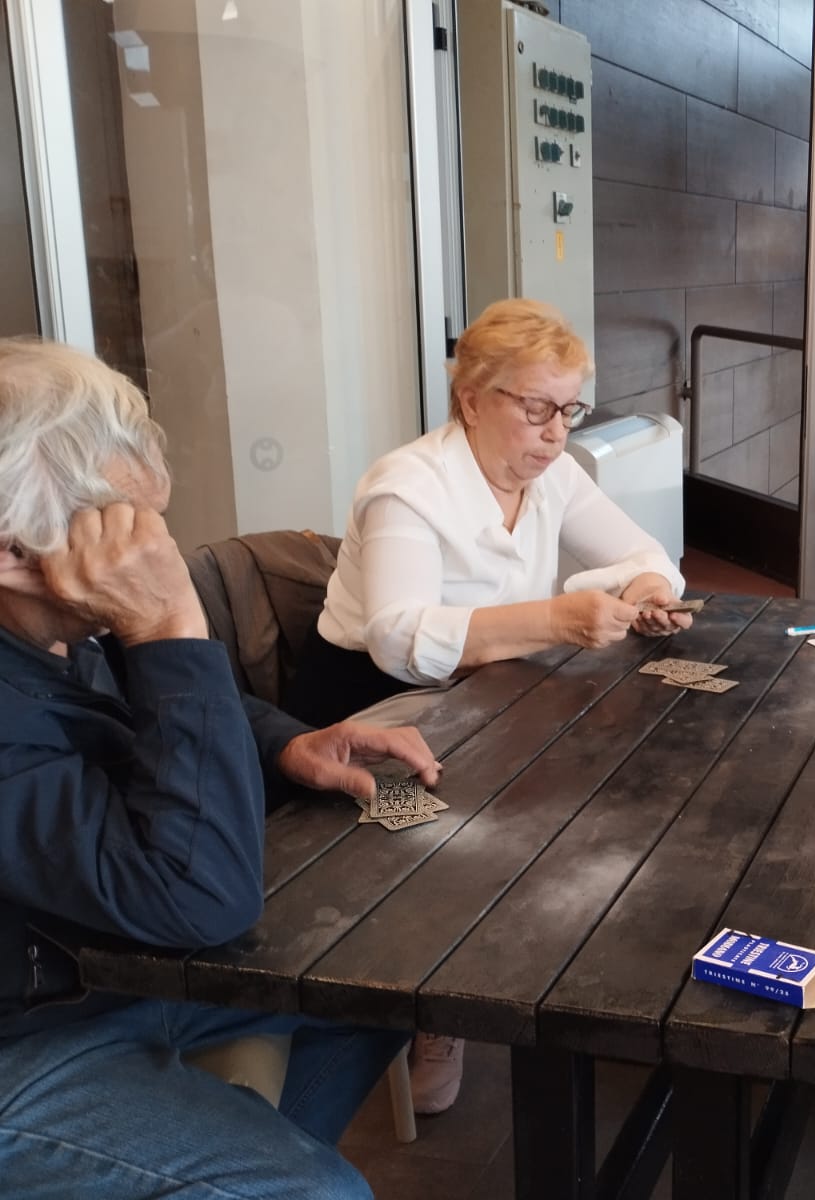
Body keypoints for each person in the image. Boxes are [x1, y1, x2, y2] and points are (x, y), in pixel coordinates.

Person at [0, 338, 443, 1199]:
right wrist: (168, 624)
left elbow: (153, 706)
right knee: (320, 1193)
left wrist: (282, 744)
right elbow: (196, 898)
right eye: (126, 532)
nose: (158, 552)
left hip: (109, 970)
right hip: (30, 1031)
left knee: (388, 988)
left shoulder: (55, 624)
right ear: (14, 550)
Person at [285, 297, 687, 1111]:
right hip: (372, 710)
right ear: (470, 399)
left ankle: (547, 965)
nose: (555, 433)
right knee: (467, 840)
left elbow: (647, 553)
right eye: (536, 408)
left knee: (604, 776)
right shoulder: (407, 487)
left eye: (569, 411)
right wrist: (554, 620)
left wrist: (647, 588)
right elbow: (397, 637)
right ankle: (436, 1005)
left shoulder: (551, 474)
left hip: (489, 693)